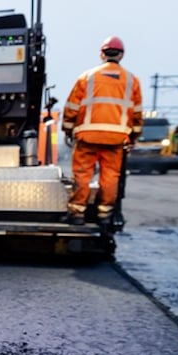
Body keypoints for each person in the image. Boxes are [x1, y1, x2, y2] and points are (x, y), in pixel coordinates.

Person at [61, 35, 143, 226]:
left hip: (87, 136)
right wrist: (133, 137)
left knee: (82, 175)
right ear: (121, 55)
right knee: (110, 177)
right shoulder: (132, 81)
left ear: (102, 53)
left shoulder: (87, 77)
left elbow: (71, 107)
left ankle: (77, 214)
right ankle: (105, 215)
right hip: (116, 138)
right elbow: (137, 114)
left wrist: (67, 130)